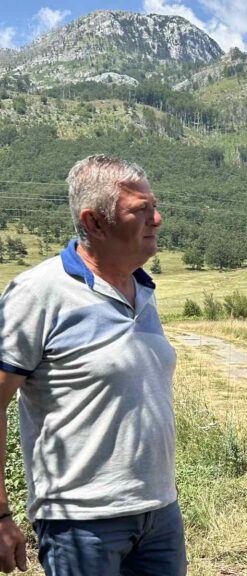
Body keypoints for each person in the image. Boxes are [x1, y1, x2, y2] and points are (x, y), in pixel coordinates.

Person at [0, 155, 186, 575]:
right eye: (141, 210)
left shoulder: (142, 289)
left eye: (155, 206)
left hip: (160, 514)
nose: (157, 219)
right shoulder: (38, 293)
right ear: (95, 222)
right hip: (80, 523)